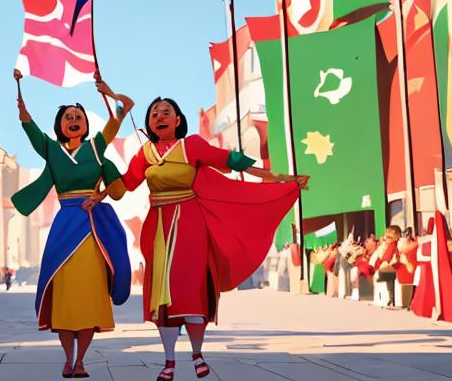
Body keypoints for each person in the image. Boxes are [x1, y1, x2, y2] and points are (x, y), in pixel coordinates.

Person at [96, 96, 305, 381]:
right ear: (149, 122)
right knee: (162, 295)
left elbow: (227, 159)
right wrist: (99, 180)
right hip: (158, 228)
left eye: (166, 112)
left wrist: (272, 176)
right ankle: (168, 361)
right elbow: (126, 185)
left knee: (192, 287)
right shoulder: (145, 153)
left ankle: (197, 353)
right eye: (154, 113)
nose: (159, 116)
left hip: (190, 224)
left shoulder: (191, 144)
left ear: (177, 120)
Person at [11, 70, 133, 379]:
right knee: (65, 297)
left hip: (93, 228)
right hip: (64, 225)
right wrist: (21, 97)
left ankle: (82, 362)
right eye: (68, 116)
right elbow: (29, 125)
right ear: (60, 125)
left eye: (78, 115)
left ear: (86, 122)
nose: (74, 119)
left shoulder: (96, 147)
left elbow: (125, 108)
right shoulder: (50, 149)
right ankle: (68, 359)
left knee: (91, 296)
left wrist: (109, 91)